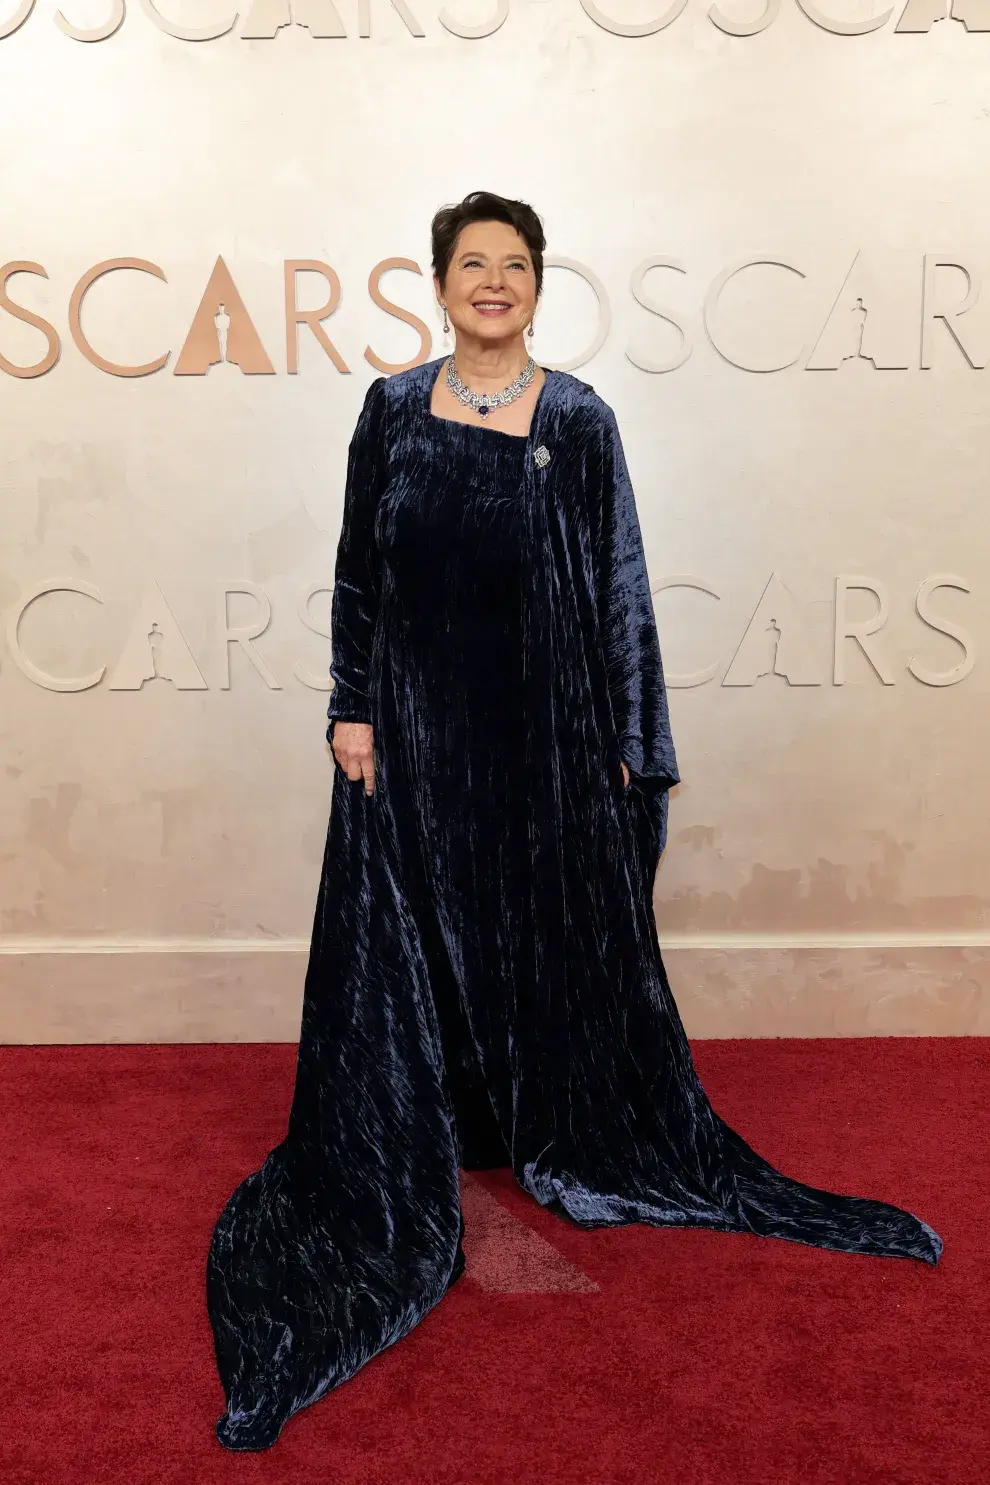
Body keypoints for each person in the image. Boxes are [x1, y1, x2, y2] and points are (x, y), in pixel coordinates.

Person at [205, 191, 942, 1452]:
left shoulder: (582, 420)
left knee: (540, 936)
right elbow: (356, 571)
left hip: (545, 738)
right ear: (437, 285)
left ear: (539, 286)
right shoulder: (390, 410)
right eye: (472, 264)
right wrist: (353, 709)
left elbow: (620, 589)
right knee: (414, 939)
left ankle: (543, 1123)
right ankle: (430, 1126)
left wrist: (625, 749)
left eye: (516, 265)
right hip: (416, 735)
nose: (494, 282)